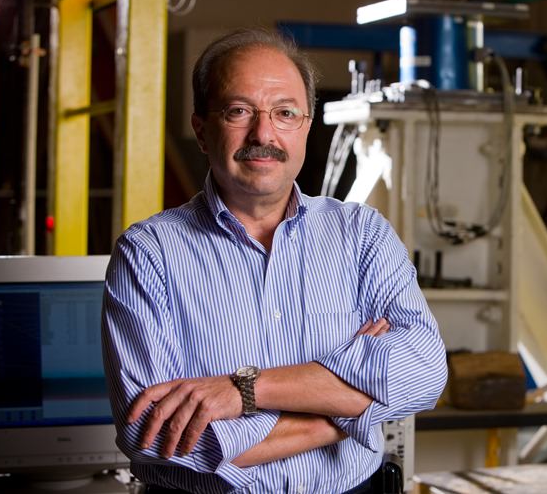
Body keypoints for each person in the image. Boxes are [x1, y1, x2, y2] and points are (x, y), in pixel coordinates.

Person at [101, 27, 448, 494]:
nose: (264, 134)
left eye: (285, 113)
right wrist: (343, 416)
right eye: (239, 111)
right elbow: (159, 436)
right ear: (202, 130)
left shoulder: (363, 235)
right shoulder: (149, 254)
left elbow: (424, 372)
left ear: (306, 126)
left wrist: (242, 390)